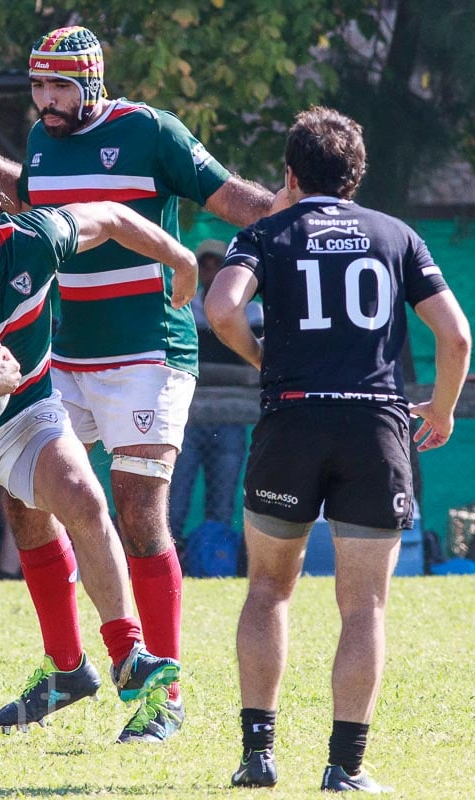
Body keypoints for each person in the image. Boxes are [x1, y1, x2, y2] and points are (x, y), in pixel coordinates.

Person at [0, 26, 288, 742]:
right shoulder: (43, 139)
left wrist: (303, 210)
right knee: (25, 501)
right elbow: (26, 195)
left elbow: (235, 201)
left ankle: (165, 693)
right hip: (66, 353)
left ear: (93, 82)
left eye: (60, 86)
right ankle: (68, 668)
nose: (47, 100)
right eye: (38, 86)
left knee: (138, 511)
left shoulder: (151, 131)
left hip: (149, 351)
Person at [0, 157, 193, 747]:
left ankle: (127, 654)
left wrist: (178, 256)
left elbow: (112, 216)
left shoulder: (34, 239)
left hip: (27, 416)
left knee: (84, 498)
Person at [205, 106, 470, 792]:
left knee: (268, 590)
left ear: (289, 174)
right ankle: (345, 768)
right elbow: (456, 336)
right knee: (364, 606)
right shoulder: (396, 235)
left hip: (291, 420)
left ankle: (257, 757)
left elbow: (222, 309)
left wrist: (261, 358)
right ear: (357, 175)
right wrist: (442, 409)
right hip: (373, 426)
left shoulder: (266, 233)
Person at [168, 239, 262, 542]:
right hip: (188, 417)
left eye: (217, 264)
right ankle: (174, 556)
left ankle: (214, 558)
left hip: (232, 415)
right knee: (175, 499)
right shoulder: (182, 306)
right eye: (204, 264)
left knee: (222, 505)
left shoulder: (252, 310)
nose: (210, 271)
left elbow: (254, 365)